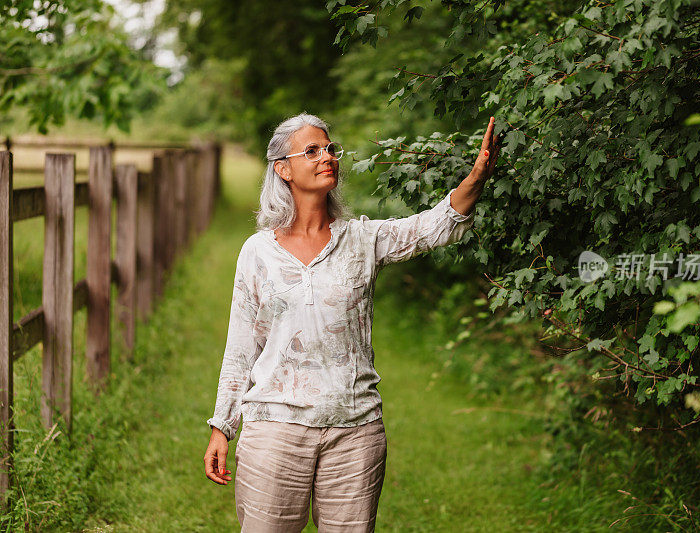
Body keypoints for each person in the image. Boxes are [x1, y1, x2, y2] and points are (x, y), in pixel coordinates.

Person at [203, 112, 501, 532]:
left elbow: (436, 225)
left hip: (355, 433)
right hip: (273, 431)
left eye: (329, 149)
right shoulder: (257, 253)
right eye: (312, 150)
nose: (327, 156)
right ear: (282, 169)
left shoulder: (363, 240)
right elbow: (240, 348)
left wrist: (477, 176)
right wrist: (222, 426)